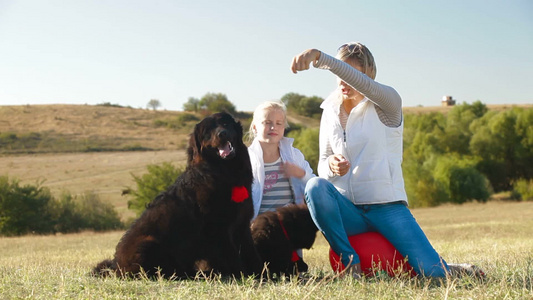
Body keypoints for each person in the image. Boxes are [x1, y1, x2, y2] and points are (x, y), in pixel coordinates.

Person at [290, 42, 483, 278]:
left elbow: (362, 83)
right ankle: (349, 262)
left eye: (349, 73)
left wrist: (321, 58)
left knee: (432, 274)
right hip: (348, 210)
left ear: (368, 76)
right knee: (315, 186)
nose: (343, 80)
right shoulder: (329, 110)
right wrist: (330, 166)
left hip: (387, 208)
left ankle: (456, 269)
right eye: (338, 74)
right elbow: (322, 163)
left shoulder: (388, 102)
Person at [247, 101, 316, 267]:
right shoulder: (246, 159)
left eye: (279, 123)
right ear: (255, 127)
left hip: (288, 230)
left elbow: (315, 185)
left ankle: (292, 259)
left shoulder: (293, 155)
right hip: (257, 229)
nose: (274, 128)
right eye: (267, 123)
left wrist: (302, 174)